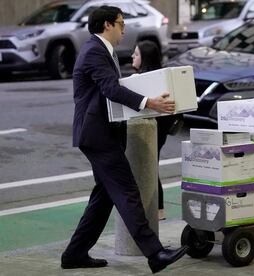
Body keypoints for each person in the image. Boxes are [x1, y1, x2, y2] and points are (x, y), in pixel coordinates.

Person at [61, 6, 188, 274]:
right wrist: (147, 102)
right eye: (121, 24)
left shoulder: (99, 49)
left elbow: (110, 87)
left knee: (104, 196)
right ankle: (155, 254)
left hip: (101, 133)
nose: (124, 29)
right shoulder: (95, 50)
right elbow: (110, 88)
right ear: (107, 25)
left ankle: (74, 254)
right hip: (98, 136)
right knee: (128, 192)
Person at [131, 41, 183, 221]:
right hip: (160, 131)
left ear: (144, 58)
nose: (132, 57)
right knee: (152, 166)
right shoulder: (160, 78)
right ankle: (158, 208)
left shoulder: (142, 81)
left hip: (149, 130)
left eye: (136, 54)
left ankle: (156, 208)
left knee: (147, 168)